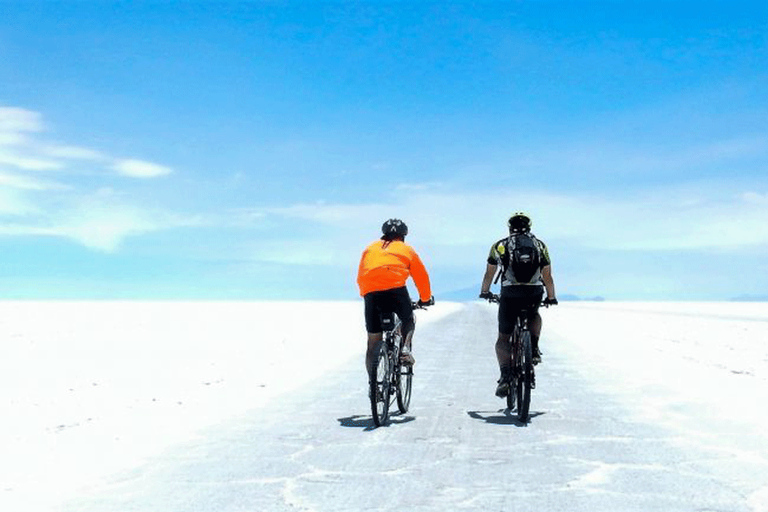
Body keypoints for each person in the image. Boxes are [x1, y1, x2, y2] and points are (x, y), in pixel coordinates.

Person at [479, 211, 557, 398]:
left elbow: (490, 273)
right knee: (534, 314)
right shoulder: (540, 245)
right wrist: (551, 296)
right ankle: (534, 347)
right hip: (534, 292)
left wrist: (485, 291)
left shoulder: (500, 246)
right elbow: (547, 275)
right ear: (529, 227)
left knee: (503, 338)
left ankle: (506, 376)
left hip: (510, 293)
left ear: (509, 228)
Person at [357, 219, 434, 380]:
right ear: (403, 236)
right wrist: (425, 299)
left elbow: (361, 273)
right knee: (408, 319)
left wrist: (366, 293)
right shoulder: (406, 249)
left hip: (370, 292)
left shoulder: (370, 248)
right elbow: (421, 276)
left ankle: (373, 385)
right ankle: (405, 349)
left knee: (372, 342)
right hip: (395, 289)